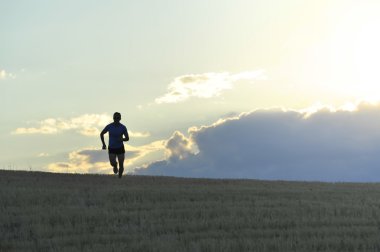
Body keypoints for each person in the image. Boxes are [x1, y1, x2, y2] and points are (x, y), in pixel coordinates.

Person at [100, 112, 129, 178]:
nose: (116, 119)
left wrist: (122, 139)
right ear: (113, 118)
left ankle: (120, 178)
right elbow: (101, 134)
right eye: (115, 118)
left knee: (121, 164)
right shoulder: (109, 126)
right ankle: (115, 166)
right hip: (112, 148)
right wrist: (103, 144)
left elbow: (127, 138)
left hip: (120, 148)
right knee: (112, 163)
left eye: (118, 118)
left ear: (120, 118)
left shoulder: (123, 127)